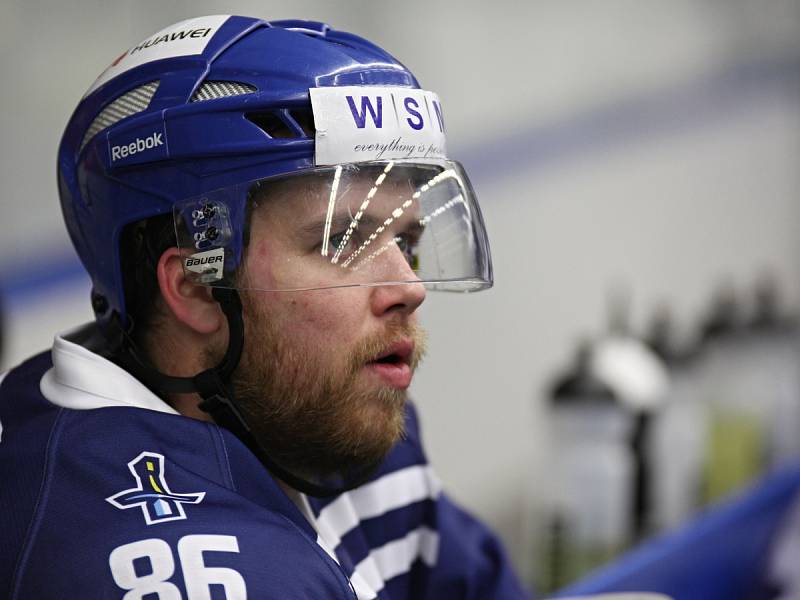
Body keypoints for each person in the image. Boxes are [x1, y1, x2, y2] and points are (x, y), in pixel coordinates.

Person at [0, 15, 530, 599]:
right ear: (198, 288)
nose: (409, 286)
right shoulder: (140, 560)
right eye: (340, 240)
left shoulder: (322, 415)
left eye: (406, 242)